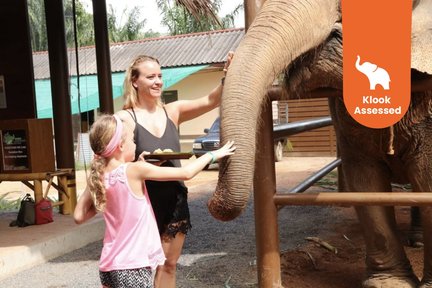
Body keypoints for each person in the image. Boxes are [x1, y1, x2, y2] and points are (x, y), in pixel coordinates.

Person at [73, 114, 235, 288]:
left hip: (108, 266)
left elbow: (79, 216)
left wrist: (98, 191)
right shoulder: (135, 170)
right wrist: (213, 154)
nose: (135, 145)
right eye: (133, 141)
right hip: (133, 266)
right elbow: (186, 173)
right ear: (120, 145)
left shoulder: (102, 175)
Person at [116, 52, 233, 287]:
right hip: (143, 203)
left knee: (168, 265)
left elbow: (211, 100)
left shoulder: (173, 111)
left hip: (174, 200)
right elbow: (116, 166)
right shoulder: (124, 119)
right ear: (135, 81)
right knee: (140, 270)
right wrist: (138, 163)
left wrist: (227, 73)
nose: (158, 81)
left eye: (160, 76)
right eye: (151, 77)